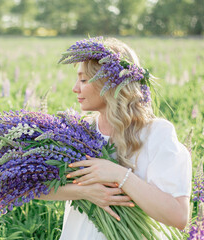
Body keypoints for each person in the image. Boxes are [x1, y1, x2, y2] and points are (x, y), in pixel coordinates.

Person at [38, 37, 192, 239]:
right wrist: (84, 192)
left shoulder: (156, 134)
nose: (75, 88)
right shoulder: (78, 131)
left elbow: (178, 216)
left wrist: (120, 175)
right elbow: (32, 187)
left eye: (84, 80)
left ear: (110, 84)